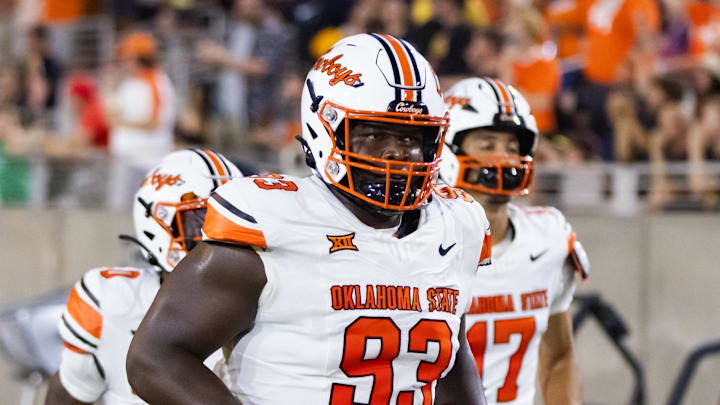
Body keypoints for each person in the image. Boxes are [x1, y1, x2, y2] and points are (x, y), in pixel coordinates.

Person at [127, 33, 492, 405]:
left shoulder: (453, 225)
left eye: (415, 136)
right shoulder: (274, 223)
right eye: (375, 133)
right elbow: (154, 358)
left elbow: (450, 358)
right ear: (326, 127)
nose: (399, 152)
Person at [44, 149, 243, 405]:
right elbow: (68, 393)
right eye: (202, 219)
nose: (227, 231)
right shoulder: (112, 302)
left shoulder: (265, 295)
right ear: (158, 223)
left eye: (235, 215)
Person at [440, 77, 589, 405]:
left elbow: (561, 356)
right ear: (447, 147)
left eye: (512, 147)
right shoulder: (418, 242)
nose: (505, 158)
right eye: (488, 144)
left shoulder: (547, 238)